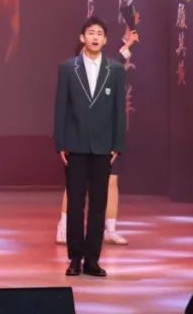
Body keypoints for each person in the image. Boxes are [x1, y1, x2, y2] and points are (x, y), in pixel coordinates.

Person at [54, 16, 126, 278]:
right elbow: (61, 108)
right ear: (82, 38)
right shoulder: (68, 68)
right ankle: (75, 259)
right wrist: (60, 143)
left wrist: (117, 144)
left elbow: (119, 110)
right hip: (75, 146)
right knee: (75, 205)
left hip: (103, 148)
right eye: (91, 33)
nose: (95, 37)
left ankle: (92, 260)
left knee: (98, 206)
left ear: (105, 40)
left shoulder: (115, 69)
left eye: (99, 34)